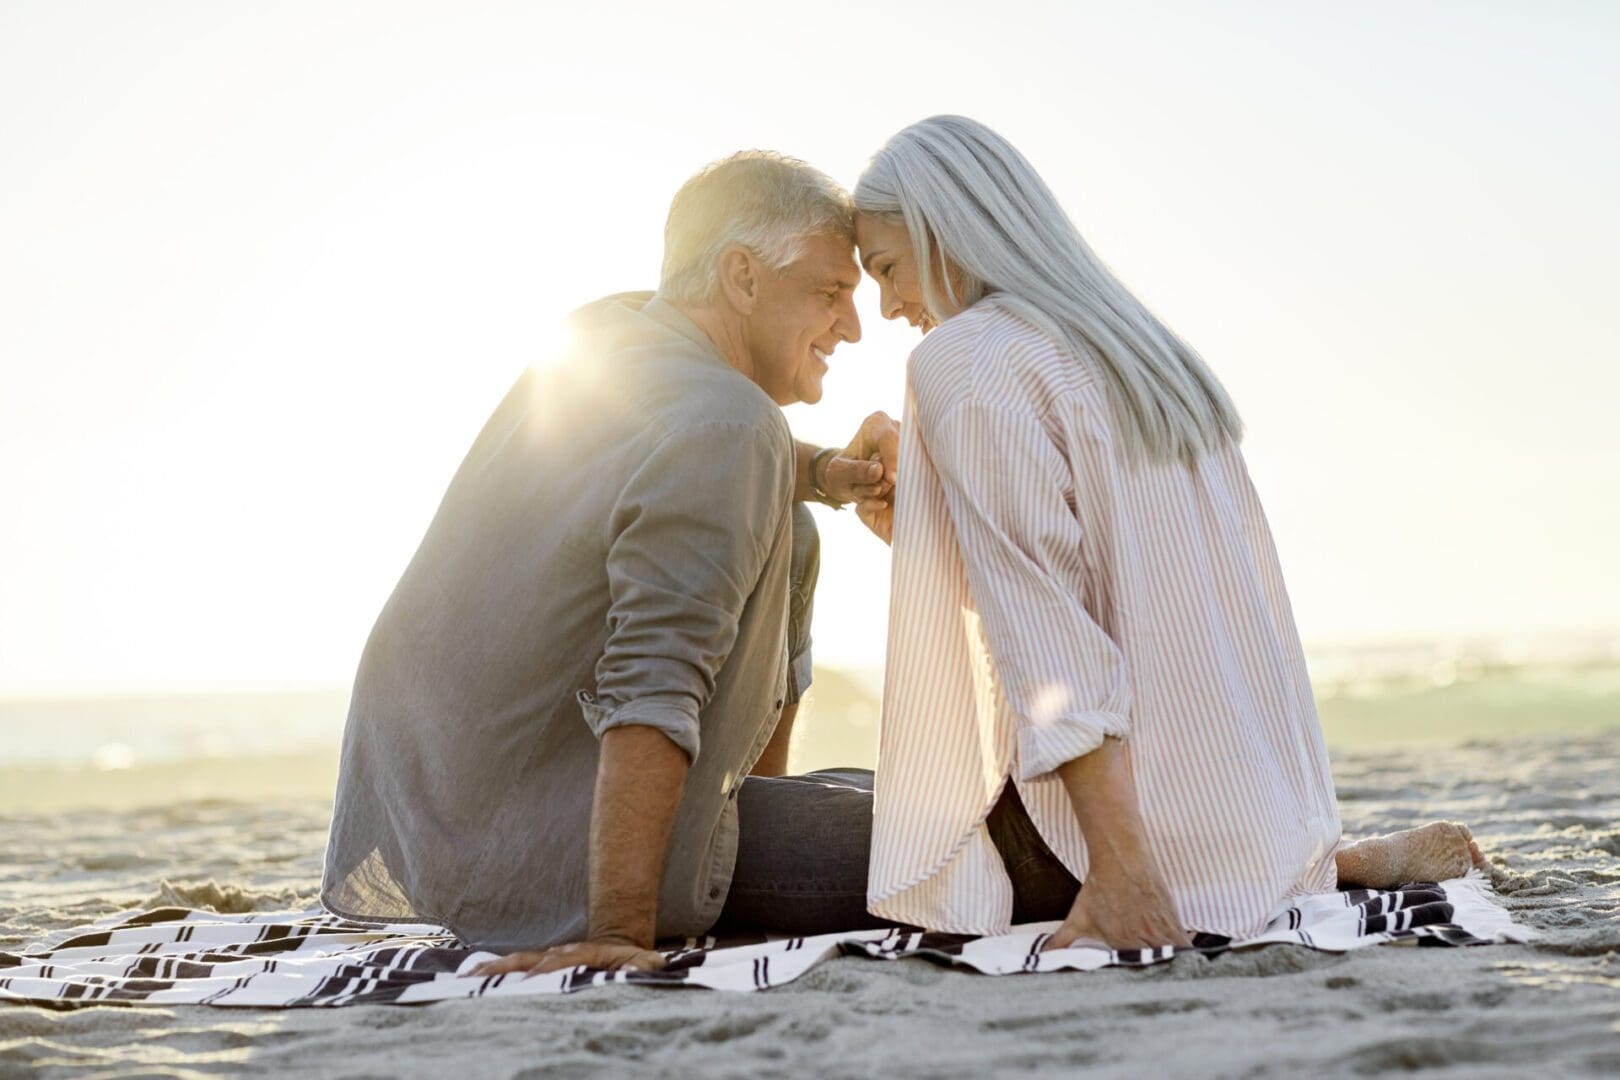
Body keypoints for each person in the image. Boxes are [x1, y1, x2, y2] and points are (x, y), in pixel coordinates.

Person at [850, 116, 1482, 951]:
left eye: (887, 270)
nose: (890, 307)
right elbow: (1131, 593)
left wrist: (1122, 872)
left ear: (945, 227)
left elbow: (1055, 638)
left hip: (1118, 846)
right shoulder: (1144, 354)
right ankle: (1333, 864)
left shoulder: (966, 359)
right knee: (846, 791)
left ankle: (1175, 866)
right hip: (1256, 825)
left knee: (734, 838)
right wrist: (926, 534)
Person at [322, 151, 897, 976]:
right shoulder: (730, 427)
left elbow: (668, 446)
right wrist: (618, 935)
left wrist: (816, 474)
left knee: (891, 771)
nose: (852, 325)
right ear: (742, 276)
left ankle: (746, 811)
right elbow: (651, 681)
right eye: (830, 292)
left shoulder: (606, 332)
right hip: (556, 861)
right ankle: (709, 862)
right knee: (979, 845)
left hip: (444, 824)